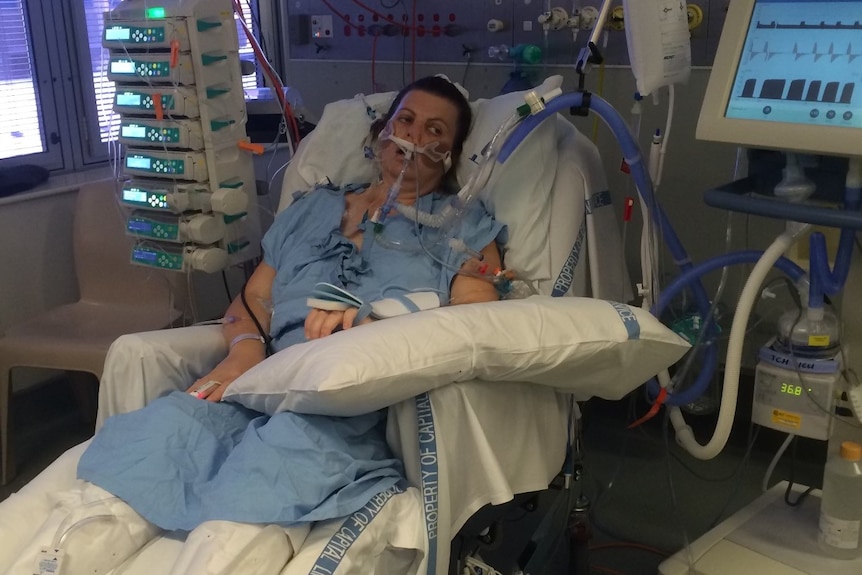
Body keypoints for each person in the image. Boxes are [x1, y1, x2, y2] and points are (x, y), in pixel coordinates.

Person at [76, 76, 506, 533]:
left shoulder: (461, 227)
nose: (415, 138)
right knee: (164, 434)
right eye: (406, 120)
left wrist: (379, 326)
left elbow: (472, 322)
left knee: (254, 494)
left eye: (435, 131)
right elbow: (255, 296)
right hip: (263, 383)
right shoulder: (313, 207)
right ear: (380, 132)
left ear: (452, 155)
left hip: (344, 405)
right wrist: (243, 354)